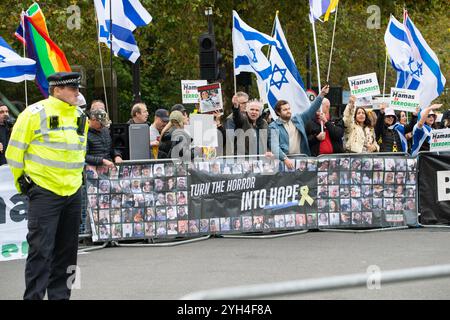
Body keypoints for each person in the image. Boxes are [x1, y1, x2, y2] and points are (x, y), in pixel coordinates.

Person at [5, 72, 88, 300]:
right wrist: (26, 184)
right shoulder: (33, 114)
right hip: (45, 192)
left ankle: (61, 297)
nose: (77, 92)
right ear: (57, 89)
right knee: (40, 252)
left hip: (73, 192)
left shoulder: (81, 116)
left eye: (77, 88)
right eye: (72, 88)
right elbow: (13, 152)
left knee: (68, 254)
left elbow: (79, 153)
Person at [268, 85, 330, 169]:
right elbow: (274, 146)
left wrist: (322, 94)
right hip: (285, 162)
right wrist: (285, 159)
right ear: (278, 113)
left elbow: (311, 110)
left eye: (289, 109)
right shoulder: (273, 126)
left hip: (302, 160)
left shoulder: (298, 119)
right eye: (285, 110)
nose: (288, 111)